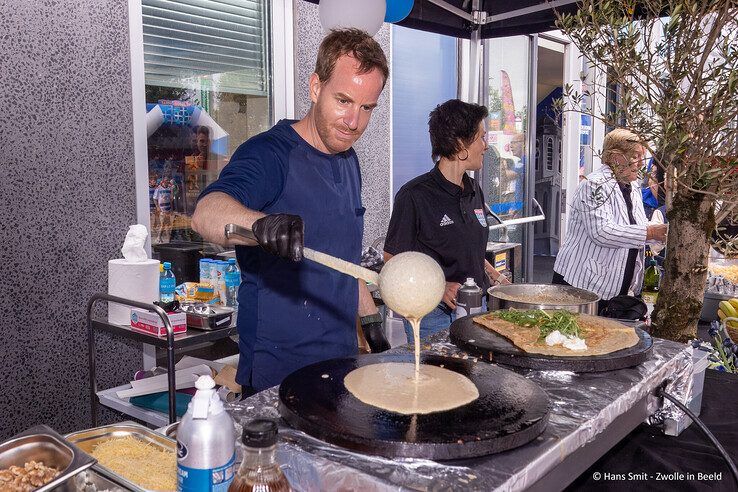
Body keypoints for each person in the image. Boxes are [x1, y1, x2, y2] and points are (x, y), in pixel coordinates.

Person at [191, 29, 390, 395]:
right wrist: (260, 224)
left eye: (367, 108)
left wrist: (372, 324)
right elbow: (206, 212)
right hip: (278, 375)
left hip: (339, 366)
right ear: (316, 88)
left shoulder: (349, 160)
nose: (353, 122)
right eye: (343, 101)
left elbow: (343, 261)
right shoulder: (270, 154)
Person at [383, 99, 510, 342]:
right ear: (460, 144)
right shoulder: (415, 196)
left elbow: (469, 249)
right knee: (436, 377)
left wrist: (496, 277)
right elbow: (393, 261)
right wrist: (440, 288)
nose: (485, 146)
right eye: (481, 137)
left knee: (470, 375)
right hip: (433, 315)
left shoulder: (474, 189)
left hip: (476, 307)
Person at [552, 128, 668, 313]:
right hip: (581, 285)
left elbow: (634, 226)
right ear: (616, 157)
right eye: (636, 156)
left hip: (611, 287)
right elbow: (602, 232)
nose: (640, 164)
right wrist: (651, 232)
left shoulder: (632, 185)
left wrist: (660, 233)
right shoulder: (594, 184)